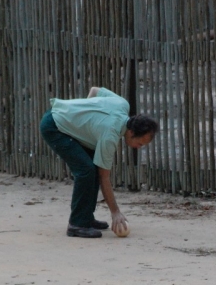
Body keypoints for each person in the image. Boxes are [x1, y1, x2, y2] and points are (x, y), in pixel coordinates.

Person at [40, 87, 159, 238]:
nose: (138, 148)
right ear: (131, 132)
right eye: (140, 144)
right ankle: (76, 224)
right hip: (54, 126)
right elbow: (104, 177)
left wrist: (86, 118)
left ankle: (86, 217)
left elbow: (94, 91)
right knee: (86, 170)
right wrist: (115, 212)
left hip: (63, 118)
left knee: (92, 168)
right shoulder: (110, 136)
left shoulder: (123, 104)